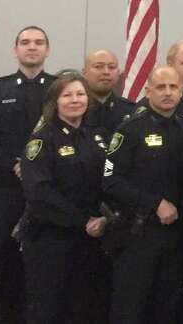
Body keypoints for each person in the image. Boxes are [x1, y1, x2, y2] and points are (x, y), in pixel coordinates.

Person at [0, 25, 55, 324]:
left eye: (38, 42)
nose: (32, 47)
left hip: (49, 194)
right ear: (15, 50)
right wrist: (13, 164)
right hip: (6, 192)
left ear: (48, 50)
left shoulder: (61, 90)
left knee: (47, 268)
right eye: (25, 42)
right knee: (2, 265)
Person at [103, 66, 183, 324]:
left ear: (181, 91)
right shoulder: (130, 129)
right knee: (130, 307)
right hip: (138, 233)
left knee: (167, 306)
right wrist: (155, 204)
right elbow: (111, 181)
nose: (167, 93)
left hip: (176, 234)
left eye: (173, 87)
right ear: (147, 90)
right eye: (160, 87)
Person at [19, 73, 108, 324]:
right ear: (54, 102)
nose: (75, 100)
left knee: (85, 306)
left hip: (91, 239)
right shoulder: (42, 140)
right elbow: (40, 192)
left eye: (80, 94)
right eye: (67, 95)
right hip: (51, 239)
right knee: (50, 308)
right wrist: (83, 220)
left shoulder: (97, 137)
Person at [81, 49, 135, 133]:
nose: (106, 72)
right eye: (98, 66)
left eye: (111, 67)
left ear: (118, 73)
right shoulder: (74, 109)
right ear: (84, 73)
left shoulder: (131, 111)